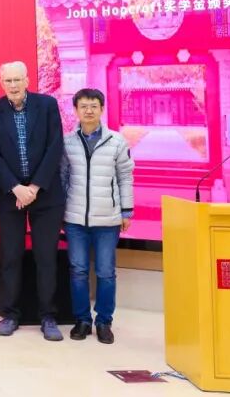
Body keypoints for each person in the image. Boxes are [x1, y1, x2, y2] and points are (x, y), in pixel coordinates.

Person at [0, 61, 65, 340]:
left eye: (17, 79)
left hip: (46, 193)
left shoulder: (47, 105)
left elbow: (55, 146)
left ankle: (48, 316)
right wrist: (16, 188)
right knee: (10, 255)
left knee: (46, 256)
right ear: (1, 83)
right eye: (8, 81)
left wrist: (34, 187)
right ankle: (10, 314)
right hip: (10, 195)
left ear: (27, 80)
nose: (13, 85)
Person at [61, 88, 134, 344]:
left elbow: (125, 177)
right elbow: (62, 177)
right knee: (78, 271)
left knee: (105, 272)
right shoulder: (67, 142)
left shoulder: (117, 141)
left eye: (93, 106)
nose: (89, 111)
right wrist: (61, 210)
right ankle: (82, 320)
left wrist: (126, 210)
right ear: (76, 110)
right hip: (75, 220)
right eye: (83, 106)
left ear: (102, 109)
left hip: (107, 220)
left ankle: (104, 321)